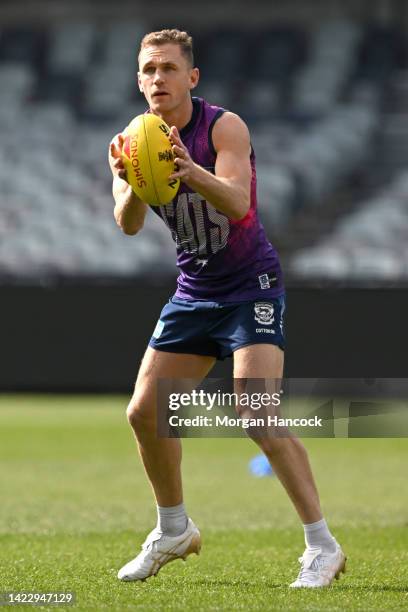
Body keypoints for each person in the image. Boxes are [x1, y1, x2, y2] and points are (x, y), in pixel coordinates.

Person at [108, 28, 346, 588]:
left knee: (255, 413)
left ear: (191, 78)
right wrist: (134, 181)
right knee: (144, 412)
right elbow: (128, 224)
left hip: (250, 285)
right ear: (139, 80)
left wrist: (186, 169)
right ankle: (173, 529)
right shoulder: (131, 139)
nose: (157, 79)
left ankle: (322, 546)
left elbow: (239, 203)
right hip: (194, 291)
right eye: (148, 70)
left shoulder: (222, 126)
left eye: (169, 69)